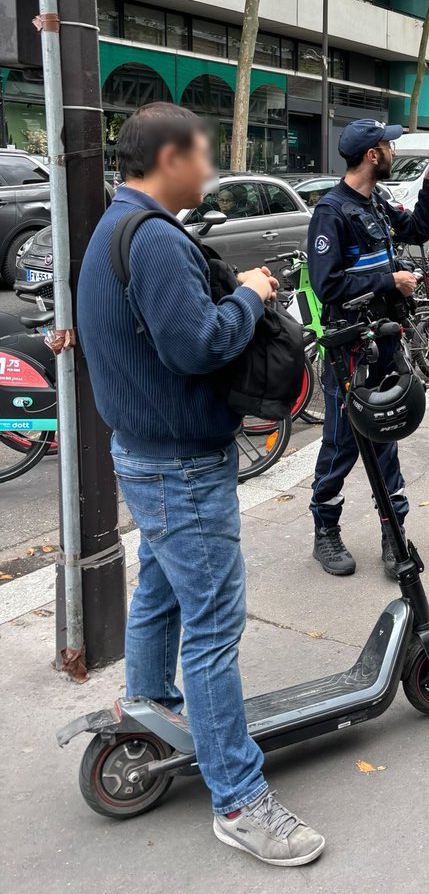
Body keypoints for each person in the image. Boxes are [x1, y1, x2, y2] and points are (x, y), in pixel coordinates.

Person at [78, 103, 325, 868]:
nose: (212, 166)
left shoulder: (113, 225)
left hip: (146, 456)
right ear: (170, 156)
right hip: (180, 463)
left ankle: (147, 713)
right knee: (214, 629)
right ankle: (240, 800)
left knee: (160, 591)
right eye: (204, 152)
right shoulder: (152, 241)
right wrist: (253, 293)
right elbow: (197, 345)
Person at [307, 119, 429, 577]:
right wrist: (388, 280)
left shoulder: (377, 201)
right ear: (373, 154)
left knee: (387, 431)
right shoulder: (331, 212)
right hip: (349, 346)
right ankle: (325, 532)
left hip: (385, 337)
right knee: (341, 443)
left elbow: (416, 230)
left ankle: (394, 535)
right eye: (389, 144)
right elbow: (326, 284)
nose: (394, 149)